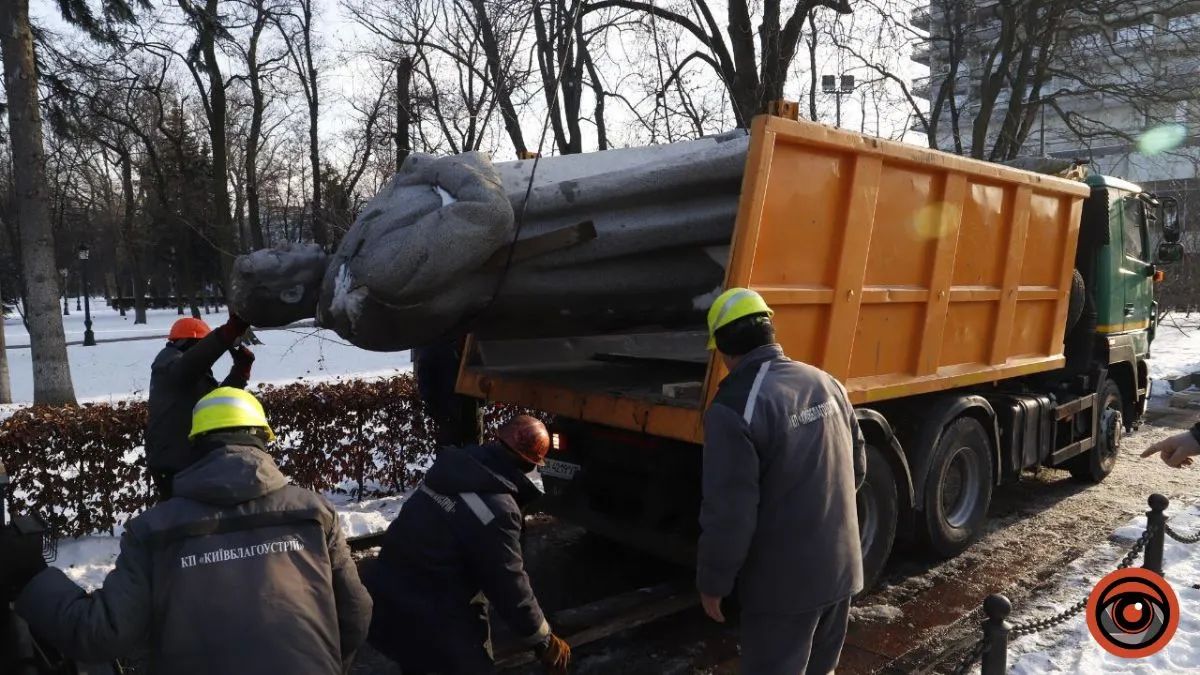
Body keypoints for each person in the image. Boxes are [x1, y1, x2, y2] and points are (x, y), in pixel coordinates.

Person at [3, 387, 372, 674]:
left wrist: (32, 576)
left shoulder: (154, 530)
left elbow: (100, 634)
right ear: (264, 438)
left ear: (195, 445)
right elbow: (355, 612)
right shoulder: (313, 513)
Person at [696, 287, 866, 675]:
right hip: (841, 571)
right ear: (771, 332)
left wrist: (713, 581)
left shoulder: (733, 408)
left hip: (784, 590)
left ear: (721, 349)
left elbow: (730, 513)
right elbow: (856, 469)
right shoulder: (826, 382)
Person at [365, 415, 570, 675]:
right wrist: (543, 639)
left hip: (387, 604)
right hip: (435, 624)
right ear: (530, 464)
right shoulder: (497, 509)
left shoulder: (453, 470)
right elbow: (508, 583)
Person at [147, 314, 256, 499]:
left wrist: (240, 372)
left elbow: (215, 405)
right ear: (185, 343)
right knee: (182, 522)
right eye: (201, 344)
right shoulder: (168, 364)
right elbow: (191, 363)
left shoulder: (192, 376)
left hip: (190, 462)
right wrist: (226, 334)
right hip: (176, 466)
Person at [413, 334, 482, 449]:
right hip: (447, 410)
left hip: (470, 408)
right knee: (450, 451)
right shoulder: (434, 342)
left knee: (473, 450)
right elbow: (425, 379)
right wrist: (435, 410)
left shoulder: (472, 340)